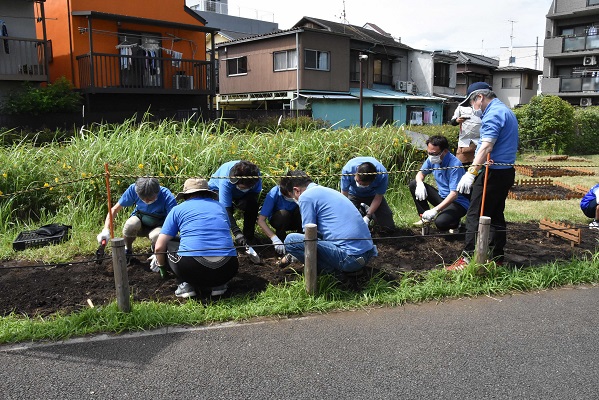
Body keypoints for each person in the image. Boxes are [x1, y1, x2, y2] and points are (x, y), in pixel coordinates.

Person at [448, 82, 519, 270]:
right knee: (495, 214)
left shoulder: (493, 114)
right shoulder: (505, 111)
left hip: (491, 173)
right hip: (505, 171)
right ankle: (497, 257)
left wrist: (471, 172)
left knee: (474, 213)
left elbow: (487, 145)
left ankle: (467, 259)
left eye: (472, 103)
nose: (472, 108)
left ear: (479, 97)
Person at [151, 178, 239, 298]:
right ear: (208, 193)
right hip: (228, 268)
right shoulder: (220, 207)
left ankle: (185, 284)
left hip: (192, 269)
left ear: (186, 195)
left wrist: (162, 269)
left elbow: (159, 247)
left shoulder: (178, 209)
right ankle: (219, 284)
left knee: (169, 242)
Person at [280, 170, 377, 275]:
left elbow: (309, 234)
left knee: (291, 240)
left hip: (350, 259)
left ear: (296, 190)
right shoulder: (326, 191)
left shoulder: (306, 196)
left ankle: (334, 274)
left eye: (293, 196)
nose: (295, 199)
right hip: (366, 254)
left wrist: (294, 254)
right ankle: (352, 269)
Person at [96, 177, 177, 260]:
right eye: (143, 199)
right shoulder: (133, 189)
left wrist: (159, 251)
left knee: (156, 235)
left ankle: (157, 254)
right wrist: (105, 229)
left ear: (157, 192)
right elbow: (114, 209)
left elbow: (174, 222)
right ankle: (128, 250)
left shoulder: (167, 197)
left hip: (158, 226)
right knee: (130, 225)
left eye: (150, 199)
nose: (146, 201)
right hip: (140, 222)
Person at [408, 135, 469, 232]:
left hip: (457, 202)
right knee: (413, 184)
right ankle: (424, 217)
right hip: (442, 197)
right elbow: (420, 173)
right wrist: (420, 183)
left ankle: (455, 223)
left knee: (440, 223)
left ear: (445, 151)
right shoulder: (432, 159)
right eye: (429, 153)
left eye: (434, 154)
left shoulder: (455, 165)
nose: (431, 157)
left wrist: (435, 210)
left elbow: (454, 194)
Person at [208, 160, 262, 246]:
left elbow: (254, 195)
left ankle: (249, 237)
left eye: (244, 187)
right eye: (240, 186)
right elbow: (225, 209)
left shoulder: (256, 177)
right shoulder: (225, 179)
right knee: (220, 210)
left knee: (252, 205)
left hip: (242, 194)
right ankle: (220, 237)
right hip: (217, 189)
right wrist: (237, 232)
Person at [340, 156, 396, 232]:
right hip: (352, 194)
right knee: (348, 224)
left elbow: (378, 197)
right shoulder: (348, 170)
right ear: (356, 173)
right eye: (357, 180)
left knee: (388, 227)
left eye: (364, 184)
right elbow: (344, 195)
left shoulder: (382, 174)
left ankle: (368, 212)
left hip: (372, 195)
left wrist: (368, 217)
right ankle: (361, 211)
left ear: (373, 180)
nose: (359, 184)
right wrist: (345, 213)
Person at [257, 184, 302, 256]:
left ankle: (300, 243)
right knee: (283, 214)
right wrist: (274, 238)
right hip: (280, 220)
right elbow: (261, 220)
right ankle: (281, 246)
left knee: (302, 210)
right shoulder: (274, 192)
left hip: (297, 220)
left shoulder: (302, 191)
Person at [450, 101, 482, 167]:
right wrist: (457, 120)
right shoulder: (461, 107)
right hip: (464, 142)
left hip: (479, 142)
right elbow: (452, 122)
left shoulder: (484, 107)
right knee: (460, 166)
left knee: (478, 167)